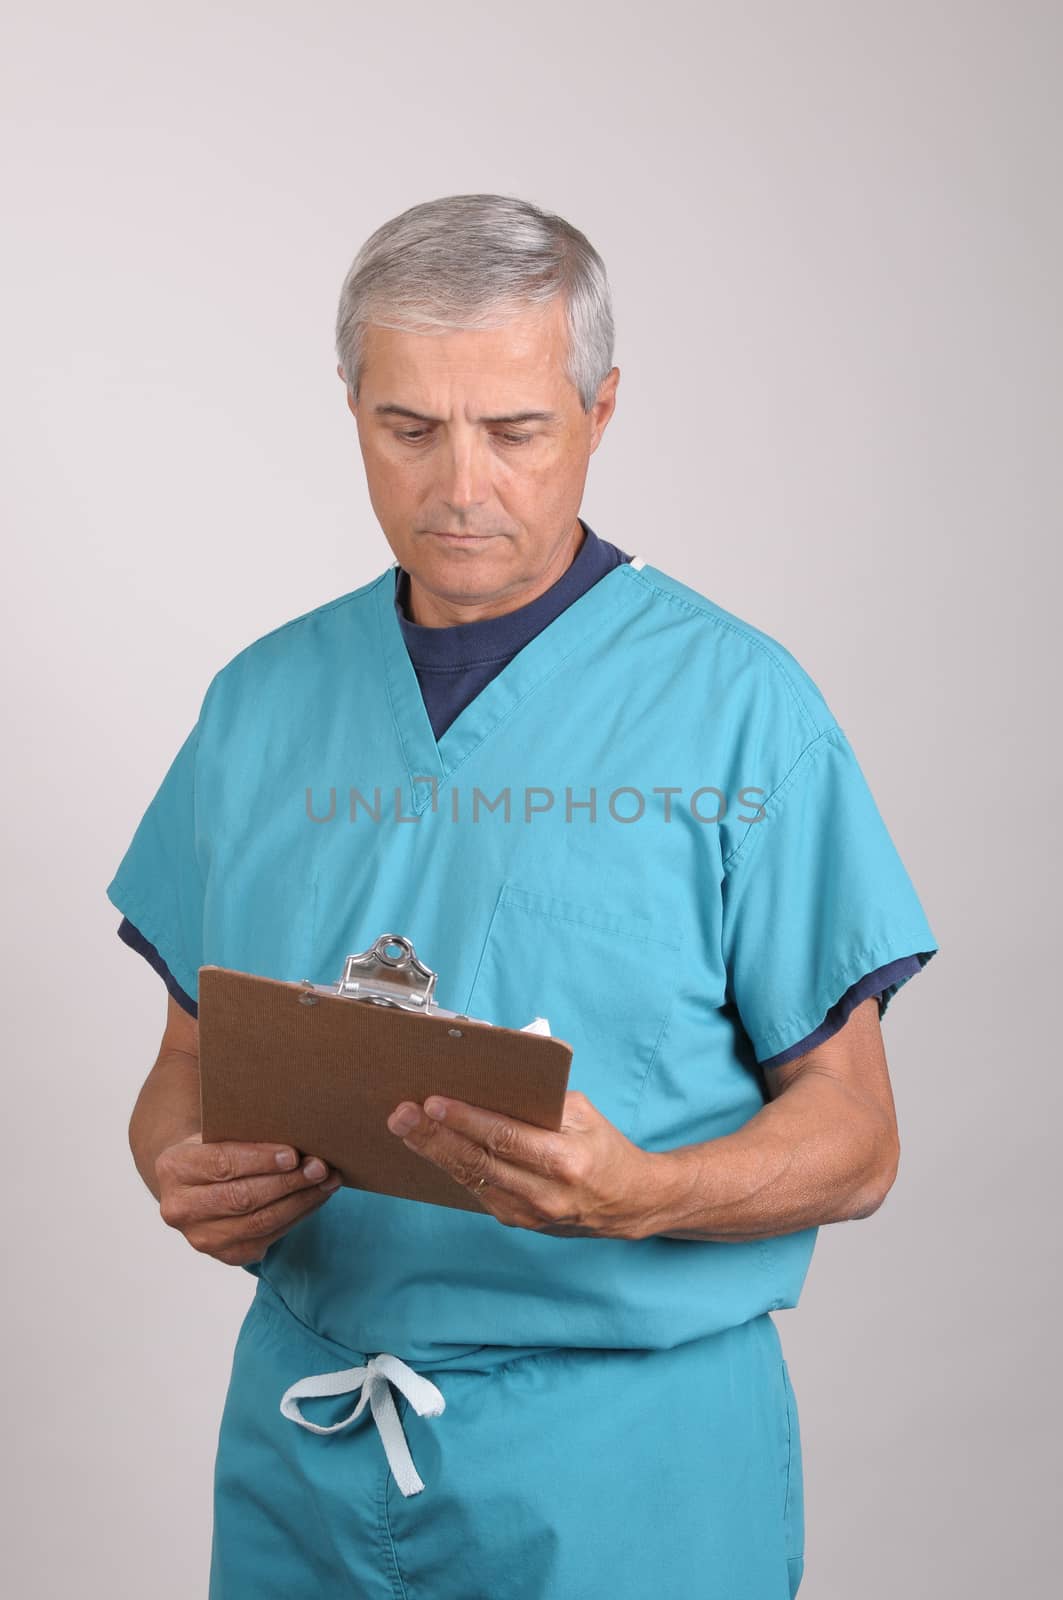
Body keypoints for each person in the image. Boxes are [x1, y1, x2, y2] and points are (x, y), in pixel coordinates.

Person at [111, 192, 938, 1600]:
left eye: (516, 429)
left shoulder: (740, 713)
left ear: (602, 409)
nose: (459, 488)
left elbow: (856, 1141)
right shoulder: (259, 708)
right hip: (309, 1453)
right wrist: (180, 1169)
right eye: (409, 428)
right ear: (350, 404)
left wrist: (644, 1192)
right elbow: (184, 1068)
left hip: (623, 1466)